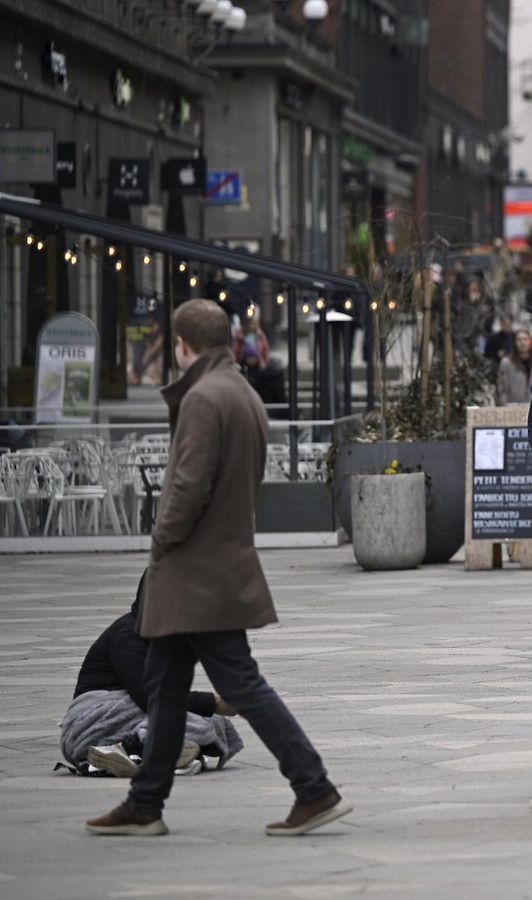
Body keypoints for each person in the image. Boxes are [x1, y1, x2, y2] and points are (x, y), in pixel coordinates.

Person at [86, 299, 349, 837]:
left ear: (182, 345)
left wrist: (161, 539)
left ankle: (314, 786)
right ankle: (145, 802)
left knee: (242, 685)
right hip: (213, 569)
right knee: (164, 685)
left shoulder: (204, 398)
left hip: (197, 573)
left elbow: (188, 486)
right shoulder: (241, 393)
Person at [61, 572, 243, 777]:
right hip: (90, 722)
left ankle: (142, 749)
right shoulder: (128, 636)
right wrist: (214, 702)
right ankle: (129, 747)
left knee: (213, 721)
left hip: (127, 713)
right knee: (199, 718)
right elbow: (150, 696)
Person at [497, 327, 532, 406]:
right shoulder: (506, 363)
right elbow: (501, 388)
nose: (522, 343)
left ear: (530, 341)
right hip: (512, 409)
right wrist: (505, 405)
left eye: (525, 339)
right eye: (519, 340)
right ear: (515, 342)